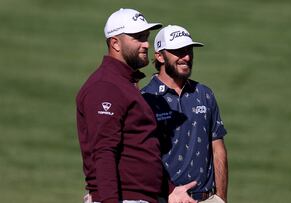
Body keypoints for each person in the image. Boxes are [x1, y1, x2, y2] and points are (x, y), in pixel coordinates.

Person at [76, 9, 196, 203]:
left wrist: (170, 190)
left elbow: (140, 148)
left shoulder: (124, 85)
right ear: (115, 43)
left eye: (146, 36)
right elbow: (104, 152)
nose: (146, 44)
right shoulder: (106, 86)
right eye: (138, 38)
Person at [141, 25, 228, 203]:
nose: (187, 57)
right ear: (159, 56)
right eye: (178, 52)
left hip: (206, 198)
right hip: (165, 198)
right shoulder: (145, 99)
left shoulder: (204, 94)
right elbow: (142, 156)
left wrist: (220, 197)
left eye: (189, 51)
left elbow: (217, 147)